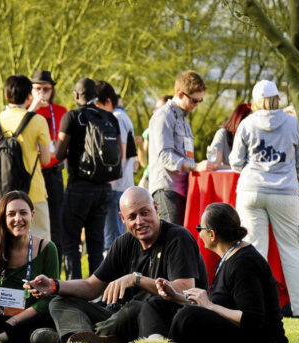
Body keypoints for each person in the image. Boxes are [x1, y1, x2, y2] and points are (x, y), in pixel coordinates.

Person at [24, 186, 206, 343]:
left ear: (156, 208)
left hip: (153, 318)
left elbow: (185, 290)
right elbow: (91, 287)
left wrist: (136, 279)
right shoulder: (124, 242)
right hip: (115, 316)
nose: (140, 221)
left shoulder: (178, 238)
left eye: (145, 213)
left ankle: (72, 339)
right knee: (60, 301)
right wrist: (54, 286)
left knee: (137, 308)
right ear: (122, 219)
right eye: (132, 217)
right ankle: (86, 339)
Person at [147, 203, 288, 343]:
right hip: (237, 331)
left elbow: (252, 320)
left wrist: (210, 305)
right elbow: (219, 304)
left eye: (200, 228)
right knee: (157, 303)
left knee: (188, 317)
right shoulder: (229, 256)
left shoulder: (244, 264)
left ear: (212, 234)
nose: (199, 233)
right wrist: (175, 296)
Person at [230, 80, 299, 317]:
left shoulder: (247, 123)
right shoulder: (293, 123)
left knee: (253, 250)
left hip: (251, 189)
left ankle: (253, 305)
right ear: (278, 98)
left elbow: (235, 161)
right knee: (293, 250)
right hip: (285, 192)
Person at [56, 78, 124, 279]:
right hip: (104, 188)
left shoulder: (72, 117)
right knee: (96, 244)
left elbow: (59, 153)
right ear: (96, 95)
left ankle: (73, 289)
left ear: (76, 96)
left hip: (78, 187)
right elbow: (119, 152)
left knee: (71, 243)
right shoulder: (110, 118)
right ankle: (95, 293)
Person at [0, 191, 60, 343]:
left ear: (32, 215)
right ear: (3, 217)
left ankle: (1, 337)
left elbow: (50, 296)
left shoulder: (47, 248)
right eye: (11, 214)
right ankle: (27, 336)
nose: (18, 219)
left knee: (56, 308)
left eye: (23, 213)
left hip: (29, 316)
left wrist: (14, 320)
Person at [0, 75, 53, 238]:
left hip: (0, 193)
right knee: (39, 242)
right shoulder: (38, 120)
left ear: (6, 96)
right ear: (29, 96)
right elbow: (46, 160)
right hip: (33, 191)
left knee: (5, 241)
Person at [146, 70, 215, 225]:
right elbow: (164, 156)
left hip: (183, 189)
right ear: (180, 94)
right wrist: (195, 166)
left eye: (200, 101)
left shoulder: (183, 118)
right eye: (194, 101)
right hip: (167, 189)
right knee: (172, 242)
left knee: (181, 240)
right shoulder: (163, 116)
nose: (196, 105)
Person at [95, 80, 137, 252]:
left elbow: (120, 154)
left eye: (97, 105)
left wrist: (108, 184)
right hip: (122, 185)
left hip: (115, 187)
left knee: (111, 242)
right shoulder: (122, 117)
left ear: (108, 102)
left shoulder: (116, 118)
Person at [31, 70, 69, 256]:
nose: (42, 93)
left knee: (56, 225)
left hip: (53, 172)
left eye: (46, 89)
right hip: (32, 172)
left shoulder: (61, 111)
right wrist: (33, 106)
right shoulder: (27, 111)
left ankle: (55, 269)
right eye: (38, 89)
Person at [206, 102, 251, 169]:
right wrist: (242, 170)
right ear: (239, 120)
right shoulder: (223, 134)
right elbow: (213, 165)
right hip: (229, 178)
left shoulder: (257, 137)